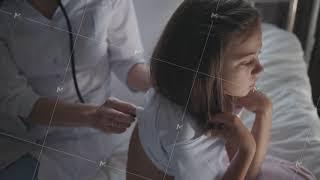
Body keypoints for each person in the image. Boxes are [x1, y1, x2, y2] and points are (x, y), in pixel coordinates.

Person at [127, 0, 317, 179]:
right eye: (247, 62)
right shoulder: (185, 132)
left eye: (258, 55)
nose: (260, 69)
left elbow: (251, 172)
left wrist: (264, 112)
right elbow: (249, 172)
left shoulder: (205, 95)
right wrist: (246, 151)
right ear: (206, 69)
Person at [0, 0, 150, 179]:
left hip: (111, 130)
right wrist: (92, 116)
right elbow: (17, 98)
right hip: (45, 142)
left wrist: (164, 83)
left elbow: (128, 61)